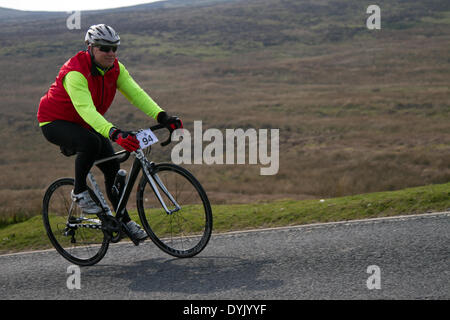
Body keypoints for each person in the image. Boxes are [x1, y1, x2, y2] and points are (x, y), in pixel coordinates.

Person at [37, 24, 182, 240]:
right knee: (90, 143)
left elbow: (136, 94)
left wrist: (162, 117)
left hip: (86, 122)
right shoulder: (75, 72)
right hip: (55, 121)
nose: (111, 53)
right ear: (90, 47)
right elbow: (85, 109)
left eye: (114, 48)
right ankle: (79, 192)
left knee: (113, 170)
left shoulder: (116, 68)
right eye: (105, 48)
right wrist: (115, 133)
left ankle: (123, 223)